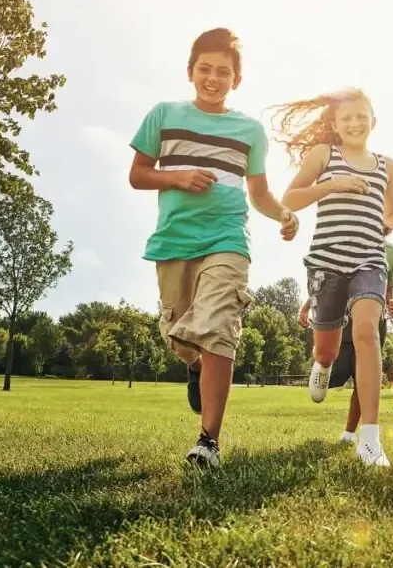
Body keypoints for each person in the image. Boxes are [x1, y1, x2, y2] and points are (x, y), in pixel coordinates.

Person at [128, 28, 298, 469]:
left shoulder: (249, 131)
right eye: (205, 69)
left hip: (227, 239)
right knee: (178, 332)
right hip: (174, 242)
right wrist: (178, 177)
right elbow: (138, 174)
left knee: (219, 327)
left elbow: (259, 193)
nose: (213, 78)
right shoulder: (164, 115)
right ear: (190, 71)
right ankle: (194, 365)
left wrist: (282, 213)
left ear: (236, 79)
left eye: (224, 72)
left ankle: (208, 442)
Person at [273, 87, 393, 467]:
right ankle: (323, 364)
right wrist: (333, 184)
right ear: (335, 124)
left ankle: (370, 440)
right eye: (347, 118)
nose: (355, 123)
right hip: (327, 262)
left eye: (361, 116)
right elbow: (289, 199)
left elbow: (389, 214)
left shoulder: (388, 165)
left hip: (369, 260)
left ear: (373, 120)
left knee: (367, 332)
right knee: (327, 348)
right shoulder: (324, 154)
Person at [298, 230, 393, 445]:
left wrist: (392, 302)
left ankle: (349, 433)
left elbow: (389, 289)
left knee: (363, 378)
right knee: (336, 373)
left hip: (375, 322)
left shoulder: (392, 252)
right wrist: (306, 307)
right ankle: (322, 360)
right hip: (344, 321)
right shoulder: (351, 236)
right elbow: (331, 283)